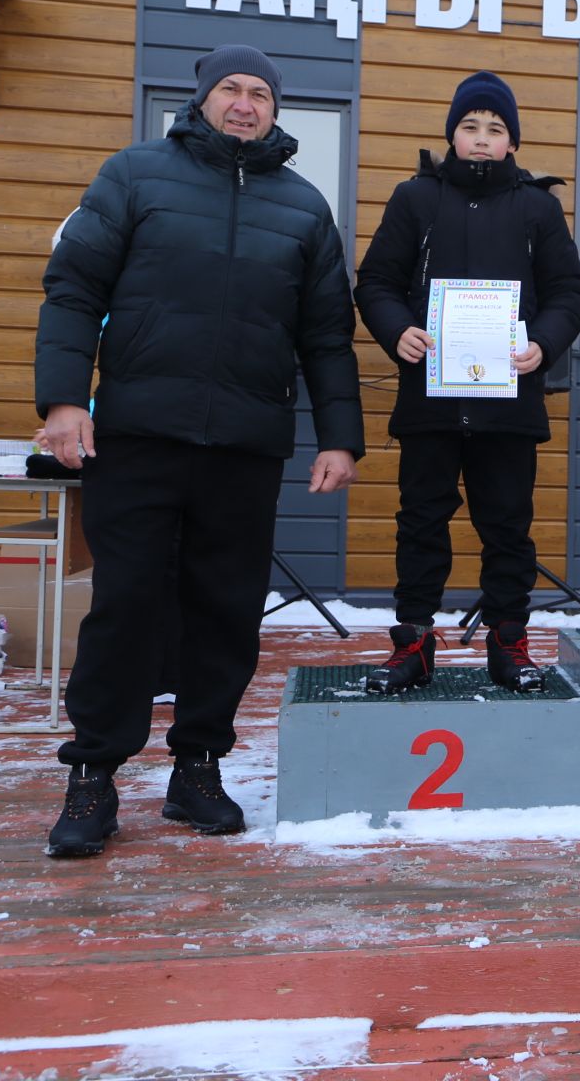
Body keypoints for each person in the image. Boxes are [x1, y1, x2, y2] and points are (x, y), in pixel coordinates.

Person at [34, 44, 363, 857]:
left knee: (225, 612)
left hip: (245, 446)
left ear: (275, 110)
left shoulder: (304, 208)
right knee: (126, 607)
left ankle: (198, 769)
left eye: (260, 92)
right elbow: (74, 290)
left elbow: (326, 336)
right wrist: (67, 400)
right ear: (202, 100)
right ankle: (94, 778)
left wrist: (340, 437)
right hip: (140, 434)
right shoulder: (134, 176)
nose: (245, 104)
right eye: (231, 90)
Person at [354, 71, 580, 695]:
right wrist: (397, 329)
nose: (482, 140)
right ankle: (413, 645)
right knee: (420, 522)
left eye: (495, 130)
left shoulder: (537, 206)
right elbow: (375, 281)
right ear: (452, 135)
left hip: (507, 401)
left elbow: (569, 293)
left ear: (512, 142)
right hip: (429, 398)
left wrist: (542, 342)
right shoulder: (415, 199)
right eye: (470, 127)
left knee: (508, 525)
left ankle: (509, 644)